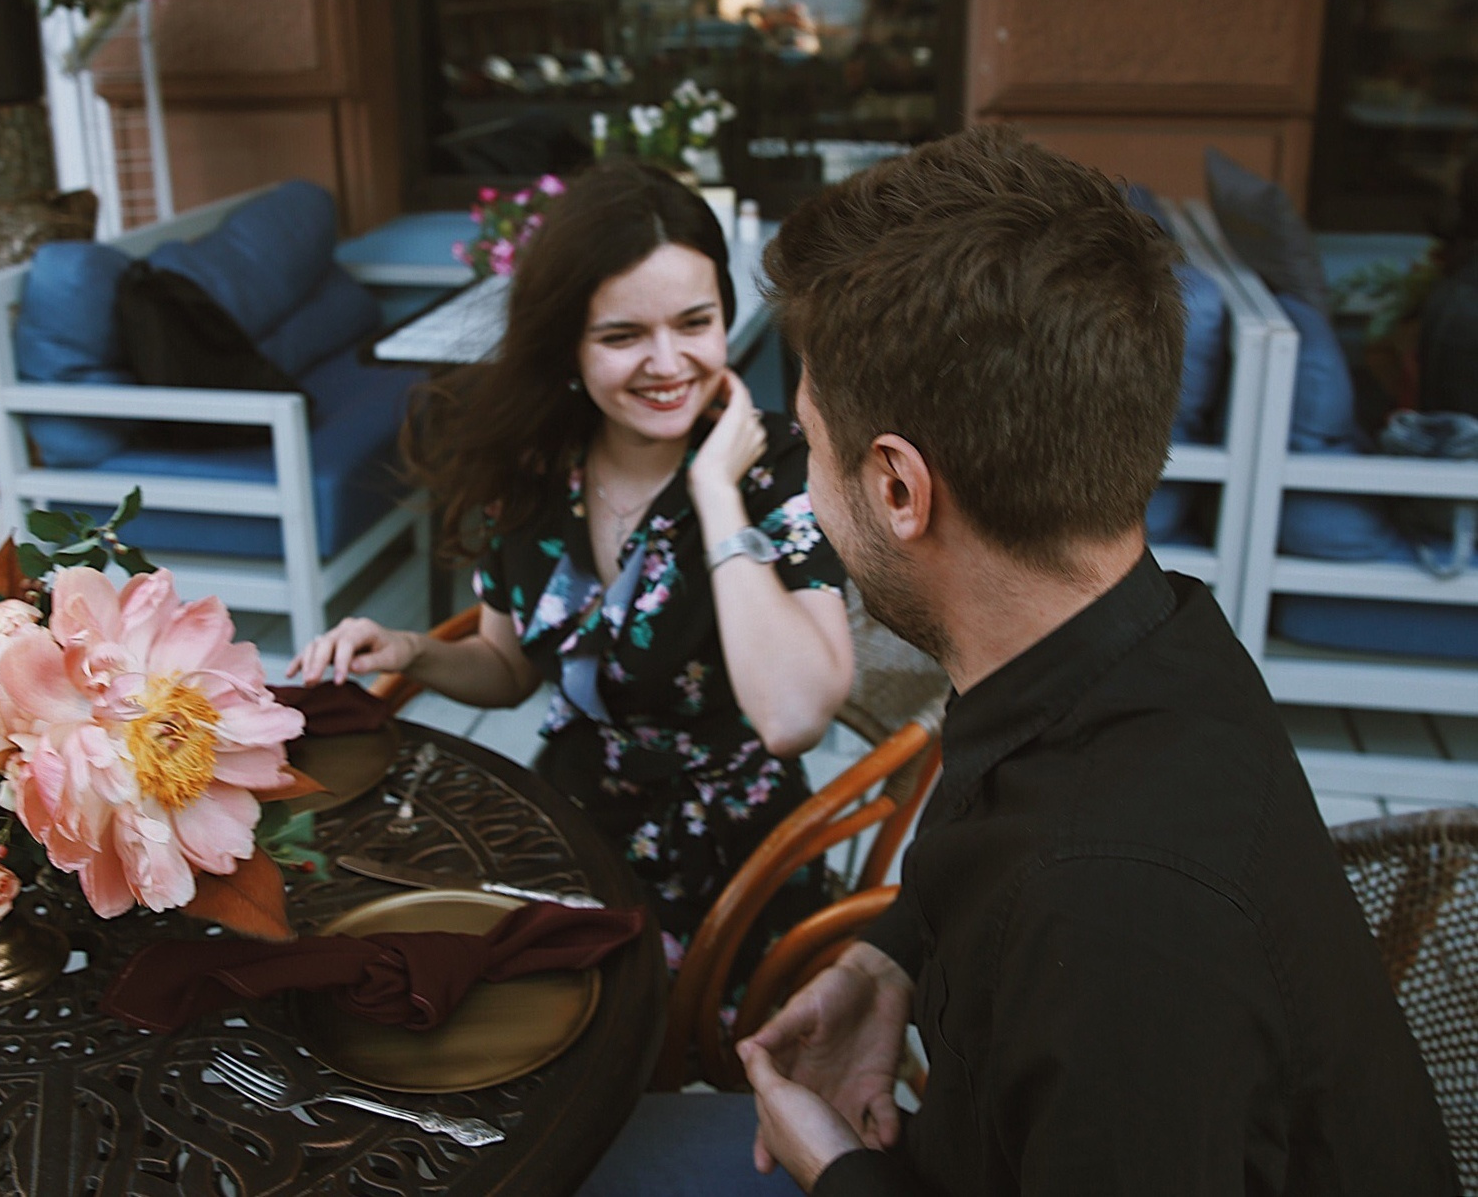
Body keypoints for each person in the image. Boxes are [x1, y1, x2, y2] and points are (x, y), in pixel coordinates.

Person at [583, 127, 1457, 1196]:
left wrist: (833, 1166)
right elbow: (1009, 818)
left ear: (899, 487)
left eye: (809, 445)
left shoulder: (1112, 923)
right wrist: (888, 958)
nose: (805, 489)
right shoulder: (1146, 635)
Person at [291, 160, 856, 974]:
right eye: (623, 336)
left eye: (693, 323)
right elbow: (507, 666)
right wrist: (411, 649)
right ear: (568, 344)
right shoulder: (532, 472)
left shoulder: (777, 466)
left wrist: (714, 493)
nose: (668, 364)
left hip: (734, 859)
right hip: (574, 827)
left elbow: (794, 716)